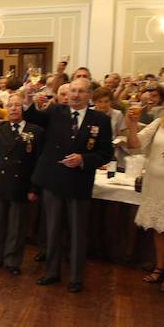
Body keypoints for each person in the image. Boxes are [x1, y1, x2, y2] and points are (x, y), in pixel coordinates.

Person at [24, 78, 113, 293]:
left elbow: (105, 153)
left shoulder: (100, 119)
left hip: (79, 183)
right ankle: (51, 273)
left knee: (77, 233)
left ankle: (76, 278)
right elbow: (32, 117)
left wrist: (83, 159)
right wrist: (28, 99)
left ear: (89, 95)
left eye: (81, 91)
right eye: (73, 90)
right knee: (52, 230)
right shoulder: (56, 112)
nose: (75, 95)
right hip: (54, 181)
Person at [0, 94, 44, 274]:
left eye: (17, 105)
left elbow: (38, 161)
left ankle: (13, 262)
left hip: (21, 184)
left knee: (16, 226)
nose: (13, 108)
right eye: (10, 105)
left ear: (23, 108)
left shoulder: (35, 130)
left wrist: (34, 188)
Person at [125, 104, 164, 292]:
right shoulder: (160, 123)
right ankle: (159, 267)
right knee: (159, 227)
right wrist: (133, 126)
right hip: (156, 184)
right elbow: (134, 144)